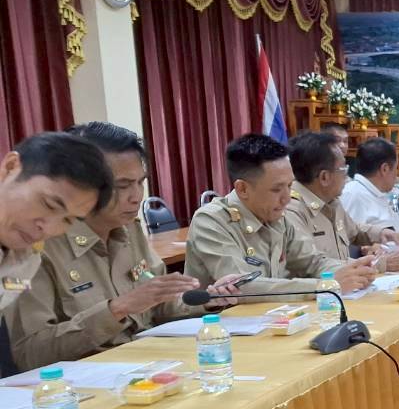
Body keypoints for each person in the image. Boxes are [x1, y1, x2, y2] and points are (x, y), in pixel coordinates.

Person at [8, 122, 240, 369]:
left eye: (140, 182)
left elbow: (160, 305)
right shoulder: (34, 246)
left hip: (148, 365)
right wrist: (115, 310)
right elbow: (29, 354)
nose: (136, 196)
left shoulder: (129, 230)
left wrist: (209, 299)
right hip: (85, 379)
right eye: (122, 186)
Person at [185, 134, 376, 295]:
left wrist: (354, 271)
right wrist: (325, 286)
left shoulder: (277, 217)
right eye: (276, 189)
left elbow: (312, 262)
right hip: (216, 324)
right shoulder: (211, 221)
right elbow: (242, 286)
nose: (286, 198)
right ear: (243, 189)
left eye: (290, 185)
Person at [0, 132, 114, 318]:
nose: (49, 229)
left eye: (68, 220)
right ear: (11, 167)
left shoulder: (28, 257)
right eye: (49, 205)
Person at [284, 131, 399, 272]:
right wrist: (378, 264)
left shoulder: (331, 201)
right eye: (343, 169)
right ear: (324, 177)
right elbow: (311, 263)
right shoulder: (291, 209)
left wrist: (380, 233)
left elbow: (354, 230)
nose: (347, 176)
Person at [339, 138, 399, 242]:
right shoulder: (353, 195)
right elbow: (348, 240)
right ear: (384, 169)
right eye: (396, 168)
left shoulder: (383, 192)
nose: (397, 174)